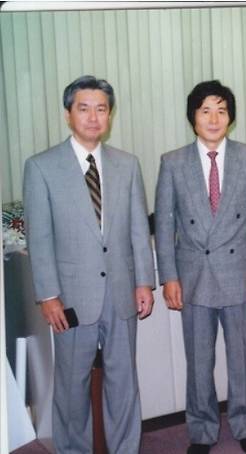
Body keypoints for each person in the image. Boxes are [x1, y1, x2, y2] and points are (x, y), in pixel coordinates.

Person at [23, 75, 155, 454]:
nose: (93, 117)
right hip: (70, 297)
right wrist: (48, 295)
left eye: (101, 109)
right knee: (71, 387)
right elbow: (40, 238)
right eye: (84, 109)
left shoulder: (127, 164)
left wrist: (144, 282)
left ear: (110, 115)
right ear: (68, 114)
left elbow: (137, 230)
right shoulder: (42, 167)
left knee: (123, 382)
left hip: (121, 292)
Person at [154, 80, 246, 454]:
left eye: (221, 111)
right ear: (193, 117)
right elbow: (165, 225)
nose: (213, 118)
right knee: (198, 359)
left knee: (242, 357)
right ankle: (202, 430)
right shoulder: (172, 162)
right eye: (205, 110)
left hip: (239, 271)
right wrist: (169, 276)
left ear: (230, 118)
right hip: (193, 276)